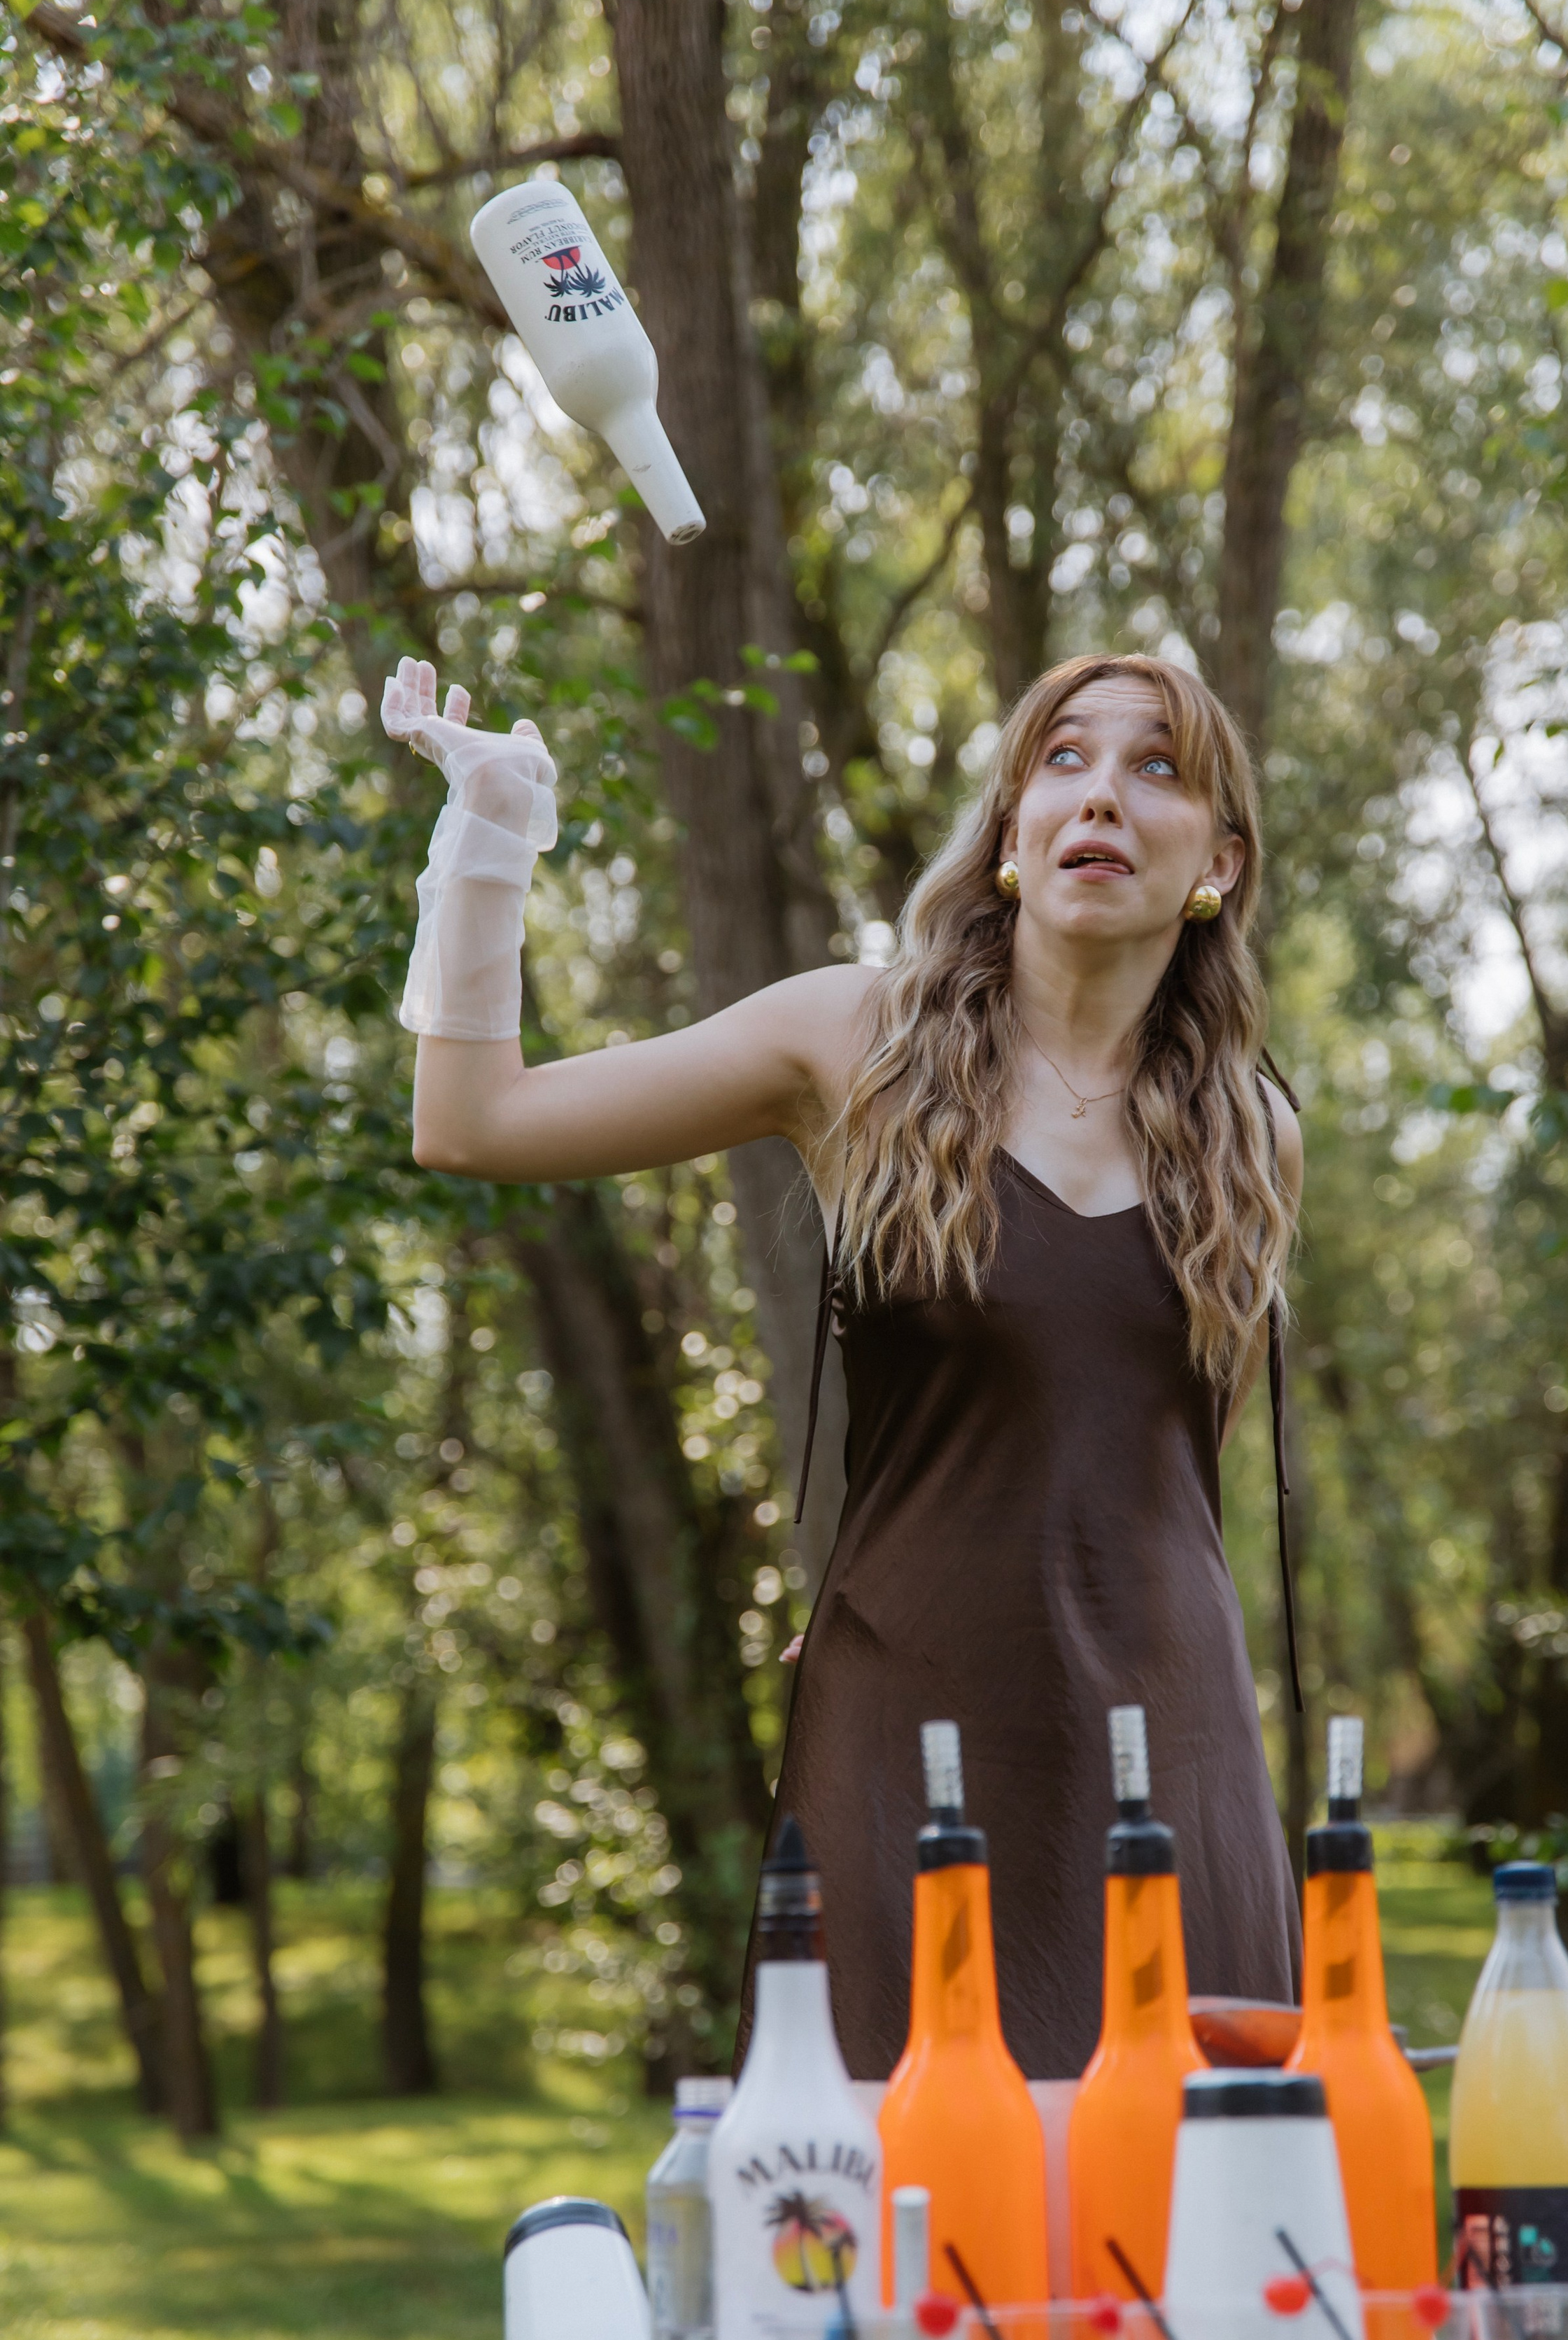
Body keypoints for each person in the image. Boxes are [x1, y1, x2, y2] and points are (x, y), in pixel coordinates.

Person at [381, 649, 1302, 2079]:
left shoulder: (1251, 1133)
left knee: (1179, 2237)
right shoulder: (853, 1042)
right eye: (1061, 760)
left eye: (1155, 769)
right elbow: (475, 1121)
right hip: (912, 1724)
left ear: (1217, 865)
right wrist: (492, 835)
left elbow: (1172, 1470)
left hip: (1168, 1755)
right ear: (1008, 833)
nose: (1099, 796)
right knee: (891, 2221)